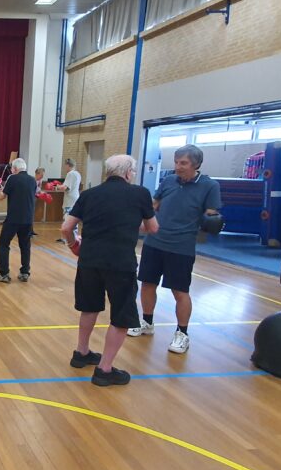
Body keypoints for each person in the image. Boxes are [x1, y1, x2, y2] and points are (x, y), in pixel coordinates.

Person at [60, 154, 158, 386]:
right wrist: (129, 222)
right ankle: (104, 369)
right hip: (120, 263)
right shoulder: (140, 193)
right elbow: (152, 228)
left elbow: (66, 227)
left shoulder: (89, 194)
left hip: (89, 260)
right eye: (133, 171)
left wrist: (73, 245)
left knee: (89, 307)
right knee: (121, 315)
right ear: (128, 173)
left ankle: (81, 353)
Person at [129, 144, 221, 354]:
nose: (178, 166)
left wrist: (212, 221)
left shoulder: (210, 185)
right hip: (154, 241)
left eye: (183, 163)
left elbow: (212, 213)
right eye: (176, 162)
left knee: (180, 291)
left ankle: (182, 333)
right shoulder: (169, 181)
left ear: (196, 164)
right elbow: (153, 205)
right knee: (147, 284)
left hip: (181, 246)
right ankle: (147, 322)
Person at [0, 158, 36, 283]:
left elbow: (1, 197)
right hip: (28, 219)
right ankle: (25, 272)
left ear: (15, 169)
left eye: (12, 168)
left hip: (13, 218)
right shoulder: (32, 180)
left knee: (4, 243)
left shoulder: (12, 178)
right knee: (25, 245)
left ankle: (4, 274)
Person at [55, 158, 82, 241]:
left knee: (68, 218)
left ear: (68, 165)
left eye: (65, 166)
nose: (65, 168)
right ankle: (73, 237)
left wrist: (57, 186)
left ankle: (68, 238)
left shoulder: (70, 174)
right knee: (74, 218)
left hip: (70, 200)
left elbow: (65, 187)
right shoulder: (78, 174)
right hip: (76, 198)